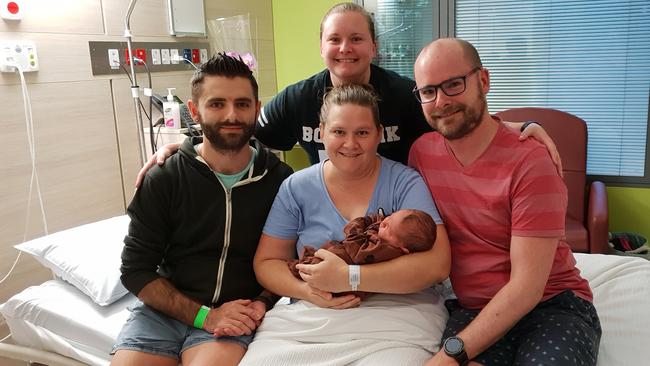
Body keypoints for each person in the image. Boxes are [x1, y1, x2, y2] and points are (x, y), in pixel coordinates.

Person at [134, 2, 561, 186]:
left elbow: (452, 115)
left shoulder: (403, 93)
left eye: (356, 39)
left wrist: (517, 125)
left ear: (373, 47)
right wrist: (186, 146)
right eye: (335, 40)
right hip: (329, 208)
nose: (345, 49)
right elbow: (238, 131)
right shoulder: (297, 99)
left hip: (398, 210)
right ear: (321, 48)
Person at [409, 38, 601, 366]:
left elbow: (527, 287)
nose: (441, 101)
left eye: (454, 84)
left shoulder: (530, 161)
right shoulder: (421, 154)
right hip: (475, 308)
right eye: (429, 91)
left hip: (551, 305)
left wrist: (449, 355)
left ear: (483, 80)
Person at [237, 84, 451, 366]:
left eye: (362, 132)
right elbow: (267, 262)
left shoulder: (404, 183)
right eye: (339, 132)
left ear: (378, 134)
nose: (351, 144)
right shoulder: (296, 188)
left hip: (396, 317)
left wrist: (350, 277)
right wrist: (310, 291)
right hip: (309, 317)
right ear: (322, 132)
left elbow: (437, 265)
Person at [110, 54, 293, 366]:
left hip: (235, 311)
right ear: (194, 110)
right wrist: (204, 316)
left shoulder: (280, 181)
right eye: (217, 104)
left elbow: (287, 259)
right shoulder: (166, 177)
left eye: (242, 104)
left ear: (257, 109)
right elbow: (135, 270)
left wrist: (263, 301)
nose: (231, 114)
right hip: (163, 311)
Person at [289, 208, 437, 278]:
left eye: (387, 226)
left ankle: (298, 267)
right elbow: (377, 221)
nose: (383, 222)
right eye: (390, 216)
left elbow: (355, 249)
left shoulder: (382, 250)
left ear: (403, 248)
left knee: (307, 266)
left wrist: (358, 225)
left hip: (341, 272)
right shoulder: (387, 238)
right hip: (338, 260)